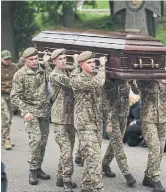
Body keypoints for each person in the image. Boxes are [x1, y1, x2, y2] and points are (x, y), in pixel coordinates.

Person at [130, 69, 166, 192]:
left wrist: (164, 80)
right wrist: (134, 81)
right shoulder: (144, 73)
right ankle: (156, 179)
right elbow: (137, 89)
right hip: (148, 117)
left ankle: (148, 176)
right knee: (155, 148)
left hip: (163, 117)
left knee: (160, 149)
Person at [10, 47, 52, 185]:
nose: (35, 62)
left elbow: (52, 79)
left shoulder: (43, 69)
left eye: (36, 59)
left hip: (44, 111)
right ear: (25, 60)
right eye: (31, 59)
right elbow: (15, 97)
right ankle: (32, 169)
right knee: (36, 139)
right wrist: (25, 111)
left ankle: (38, 167)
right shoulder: (20, 75)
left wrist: (46, 63)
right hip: (30, 111)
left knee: (43, 141)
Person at [71, 51, 106, 192]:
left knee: (90, 158)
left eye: (94, 62)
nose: (93, 65)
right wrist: (103, 66)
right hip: (84, 124)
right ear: (81, 65)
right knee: (95, 158)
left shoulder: (93, 76)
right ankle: (98, 188)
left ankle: (86, 187)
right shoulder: (78, 80)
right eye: (89, 63)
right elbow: (99, 83)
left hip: (96, 123)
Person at [49, 49, 80, 191]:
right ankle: (67, 180)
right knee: (66, 150)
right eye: (60, 59)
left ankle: (60, 178)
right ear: (54, 61)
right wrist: (76, 64)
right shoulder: (55, 75)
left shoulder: (65, 72)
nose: (63, 61)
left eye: (64, 58)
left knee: (67, 150)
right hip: (59, 118)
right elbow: (72, 84)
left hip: (70, 118)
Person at [102, 77, 136, 187]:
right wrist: (109, 121)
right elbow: (105, 100)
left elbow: (137, 92)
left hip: (124, 114)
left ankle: (105, 164)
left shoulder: (125, 79)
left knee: (115, 142)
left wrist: (132, 82)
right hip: (112, 116)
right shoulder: (107, 79)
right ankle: (127, 173)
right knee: (118, 145)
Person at [1, 50, 18, 150]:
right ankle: (5, 140)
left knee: (9, 119)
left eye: (9, 58)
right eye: (5, 59)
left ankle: (7, 137)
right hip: (1, 95)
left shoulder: (14, 67)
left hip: (11, 95)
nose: (8, 60)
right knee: (6, 117)